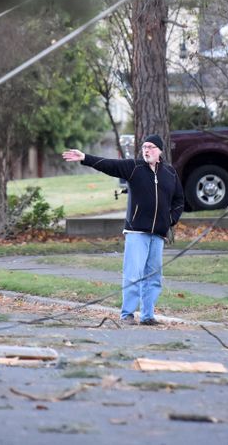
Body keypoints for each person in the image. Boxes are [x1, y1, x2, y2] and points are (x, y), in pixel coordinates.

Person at [62, 134, 182, 325]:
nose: (147, 150)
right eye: (144, 147)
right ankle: (127, 314)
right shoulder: (134, 167)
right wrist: (85, 157)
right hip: (137, 232)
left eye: (151, 147)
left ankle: (148, 315)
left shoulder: (170, 173)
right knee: (134, 275)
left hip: (158, 234)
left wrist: (170, 220)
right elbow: (109, 164)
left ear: (159, 150)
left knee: (154, 278)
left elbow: (179, 201)